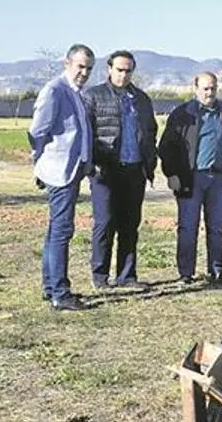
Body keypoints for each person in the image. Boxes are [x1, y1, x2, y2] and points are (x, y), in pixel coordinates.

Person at [158, 72, 222, 284]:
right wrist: (172, 174)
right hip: (191, 178)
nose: (209, 93)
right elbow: (167, 146)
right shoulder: (183, 113)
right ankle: (186, 273)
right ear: (195, 88)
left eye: (213, 88)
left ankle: (216, 269)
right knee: (188, 227)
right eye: (205, 88)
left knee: (216, 227)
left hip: (218, 178)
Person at [81, 50, 158, 290]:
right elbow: (86, 133)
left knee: (130, 225)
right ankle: (100, 276)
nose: (123, 75)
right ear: (109, 69)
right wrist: (93, 164)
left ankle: (127, 276)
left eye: (128, 71)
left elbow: (151, 131)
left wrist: (149, 162)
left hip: (135, 170)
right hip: (106, 171)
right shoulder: (93, 96)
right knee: (105, 223)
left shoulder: (142, 99)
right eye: (119, 70)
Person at [28, 44, 95, 311]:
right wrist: (40, 163)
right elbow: (37, 131)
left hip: (72, 169)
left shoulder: (76, 92)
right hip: (59, 171)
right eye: (80, 66)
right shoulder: (54, 91)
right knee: (61, 231)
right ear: (67, 63)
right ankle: (60, 292)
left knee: (56, 229)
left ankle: (50, 287)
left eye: (89, 68)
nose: (84, 73)